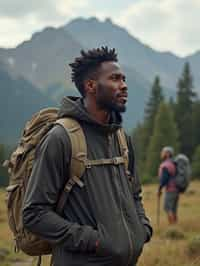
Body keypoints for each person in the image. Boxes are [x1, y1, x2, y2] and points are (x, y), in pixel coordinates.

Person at [22, 47, 152, 266]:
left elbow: (135, 194)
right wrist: (95, 241)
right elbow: (34, 214)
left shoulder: (121, 139)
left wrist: (142, 228)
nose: (124, 85)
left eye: (124, 79)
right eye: (115, 79)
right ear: (90, 85)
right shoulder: (61, 138)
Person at [158, 146, 179, 224]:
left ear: (167, 154)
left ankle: (172, 226)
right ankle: (175, 225)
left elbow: (164, 180)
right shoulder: (173, 163)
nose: (161, 154)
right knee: (174, 209)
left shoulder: (166, 165)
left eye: (163, 152)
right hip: (176, 189)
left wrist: (160, 189)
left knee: (167, 208)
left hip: (170, 190)